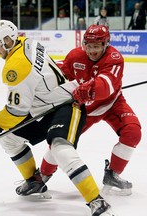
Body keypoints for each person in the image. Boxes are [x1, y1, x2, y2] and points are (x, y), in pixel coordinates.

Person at [0, 20, 115, 216]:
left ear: (6, 40)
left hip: (66, 104)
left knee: (60, 148)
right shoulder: (26, 42)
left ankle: (96, 200)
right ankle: (34, 182)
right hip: (44, 106)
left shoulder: (16, 66)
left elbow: (17, 111)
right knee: (9, 138)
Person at [40, 24, 142, 196]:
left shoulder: (114, 58)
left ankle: (113, 175)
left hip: (112, 104)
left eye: (97, 46)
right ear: (84, 44)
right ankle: (40, 177)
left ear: (106, 45)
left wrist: (86, 89)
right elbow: (61, 75)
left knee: (132, 132)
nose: (92, 50)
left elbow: (106, 87)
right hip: (83, 109)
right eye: (89, 46)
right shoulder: (75, 56)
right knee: (59, 141)